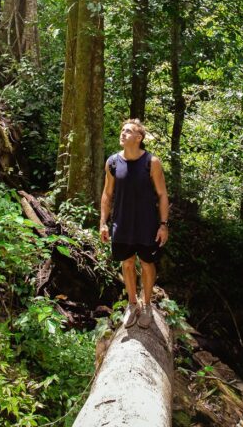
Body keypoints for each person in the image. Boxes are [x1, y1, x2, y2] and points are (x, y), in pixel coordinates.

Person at [100, 119, 169, 329]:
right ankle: (132, 304)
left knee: (147, 263)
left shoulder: (151, 162)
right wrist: (103, 222)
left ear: (139, 138)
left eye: (128, 131)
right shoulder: (112, 162)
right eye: (122, 130)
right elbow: (107, 194)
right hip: (121, 223)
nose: (123, 133)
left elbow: (162, 194)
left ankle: (147, 305)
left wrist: (163, 224)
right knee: (127, 262)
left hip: (147, 224)